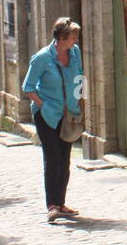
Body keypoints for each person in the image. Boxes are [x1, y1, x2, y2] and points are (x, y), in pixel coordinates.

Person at [22, 18, 83, 224]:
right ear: (61, 37)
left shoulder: (75, 53)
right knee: (53, 158)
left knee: (65, 160)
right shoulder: (42, 58)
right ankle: (52, 206)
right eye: (73, 36)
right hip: (47, 114)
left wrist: (79, 103)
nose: (76, 39)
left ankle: (61, 203)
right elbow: (28, 87)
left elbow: (79, 78)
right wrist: (43, 105)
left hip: (69, 114)